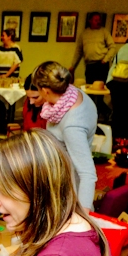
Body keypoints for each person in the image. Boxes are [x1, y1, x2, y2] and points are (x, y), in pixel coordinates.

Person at [33, 61, 98, 210]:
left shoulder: (72, 126)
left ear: (45, 91)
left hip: (69, 199)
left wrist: (83, 216)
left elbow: (88, 174)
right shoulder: (73, 94)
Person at [70, 13, 116, 86]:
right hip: (90, 65)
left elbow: (112, 47)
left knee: (100, 89)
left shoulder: (104, 32)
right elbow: (78, 51)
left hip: (101, 65)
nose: (98, 22)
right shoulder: (84, 34)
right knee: (89, 87)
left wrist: (105, 59)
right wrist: (73, 66)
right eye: (96, 20)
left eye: (99, 20)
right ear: (90, 21)